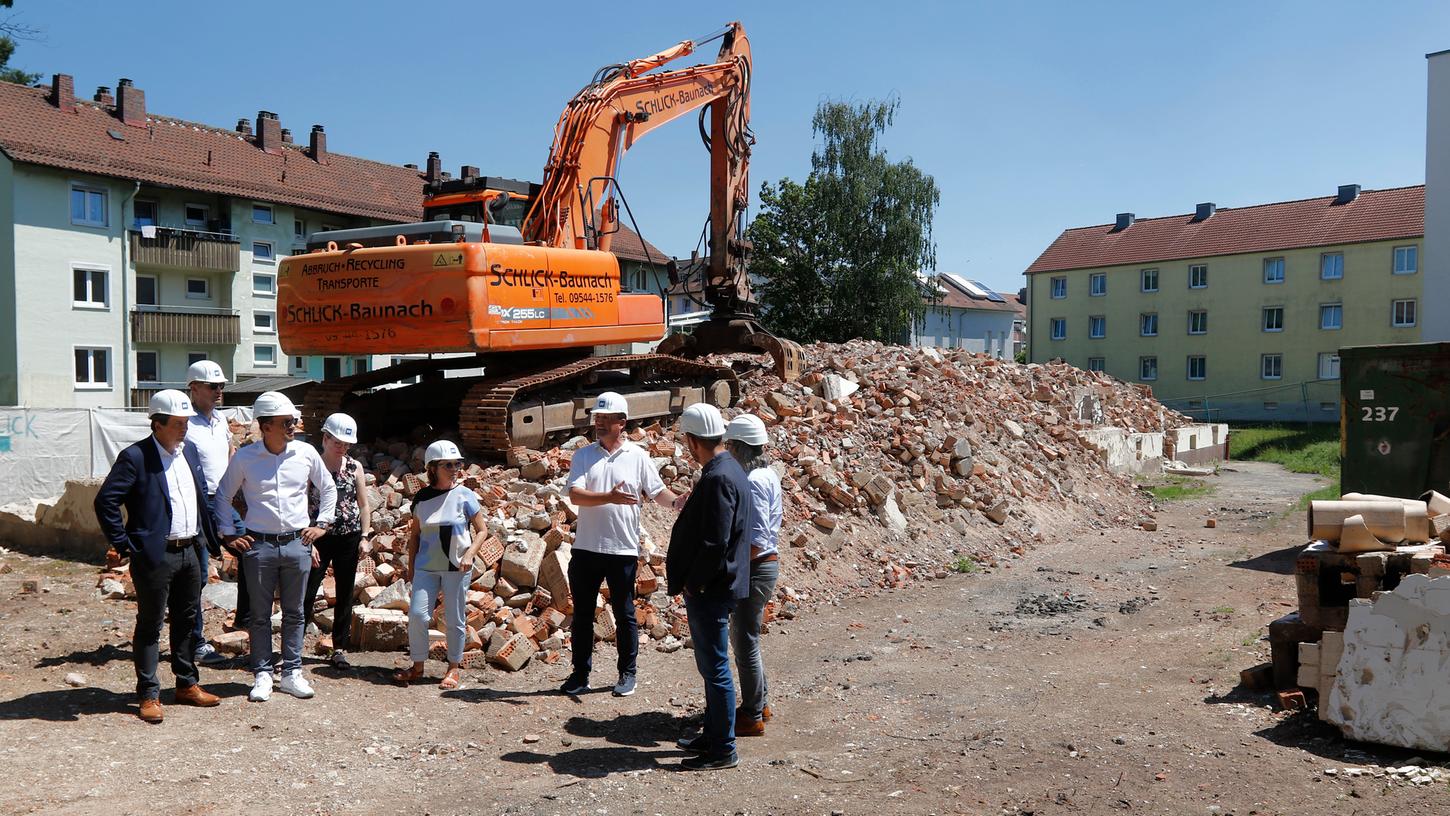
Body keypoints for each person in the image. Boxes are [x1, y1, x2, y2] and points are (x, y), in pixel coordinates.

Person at [94, 389, 223, 723]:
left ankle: (186, 684)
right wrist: (124, 543)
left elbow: (199, 498)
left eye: (186, 422)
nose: (184, 429)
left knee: (185, 619)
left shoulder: (188, 451)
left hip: (190, 551)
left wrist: (210, 538)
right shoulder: (136, 457)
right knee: (150, 625)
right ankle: (149, 694)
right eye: (178, 423)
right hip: (155, 555)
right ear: (158, 423)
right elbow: (106, 501)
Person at [558, 391, 681, 698]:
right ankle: (580, 674)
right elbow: (574, 496)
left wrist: (678, 502)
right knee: (583, 614)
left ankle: (627, 673)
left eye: (604, 418)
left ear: (621, 422)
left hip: (622, 550)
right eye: (596, 418)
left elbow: (657, 492)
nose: (597, 423)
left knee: (624, 613)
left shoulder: (638, 456)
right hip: (586, 548)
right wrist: (609, 497)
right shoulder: (584, 455)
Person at [215, 391, 336, 703]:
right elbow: (222, 496)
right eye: (285, 422)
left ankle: (292, 673)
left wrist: (321, 524)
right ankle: (263, 674)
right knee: (259, 615)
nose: (292, 426)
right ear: (265, 426)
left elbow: (328, 488)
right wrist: (229, 535)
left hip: (297, 543)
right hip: (258, 546)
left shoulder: (306, 453)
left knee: (296, 612)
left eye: (293, 421)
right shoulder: (245, 458)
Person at [668, 402, 752, 771]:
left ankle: (723, 748)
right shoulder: (729, 467)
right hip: (720, 584)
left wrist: (695, 583)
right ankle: (715, 734)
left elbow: (715, 541)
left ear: (691, 441)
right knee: (711, 666)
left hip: (712, 588)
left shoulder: (718, 477)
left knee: (715, 668)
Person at [394, 440, 486, 690]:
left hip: (457, 566)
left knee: (455, 618)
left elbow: (482, 531)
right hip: (426, 566)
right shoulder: (422, 498)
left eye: (457, 463)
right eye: (448, 464)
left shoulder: (465, 495)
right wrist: (411, 568)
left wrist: (469, 555)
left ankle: (453, 668)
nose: (455, 468)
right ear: (433, 467)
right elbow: (414, 536)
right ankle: (418, 666)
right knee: (417, 614)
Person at [723, 413, 782, 737]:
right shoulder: (766, 475)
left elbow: (756, 541)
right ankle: (761, 703)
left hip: (756, 568)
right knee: (748, 640)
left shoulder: (756, 481)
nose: (729, 452)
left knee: (744, 642)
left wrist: (728, 565)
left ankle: (751, 714)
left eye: (732, 446)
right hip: (761, 567)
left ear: (742, 448)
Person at [303, 412, 371, 670]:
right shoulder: (312, 466)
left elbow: (363, 505)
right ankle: (294, 646)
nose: (341, 448)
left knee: (344, 592)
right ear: (325, 438)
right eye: (337, 443)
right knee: (308, 591)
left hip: (349, 537)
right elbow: (302, 505)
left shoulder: (355, 467)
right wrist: (307, 542)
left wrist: (365, 536)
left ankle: (339, 647)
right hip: (319, 537)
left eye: (346, 444)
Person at [183, 359, 237, 667]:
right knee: (199, 574)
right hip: (198, 503)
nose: (219, 391)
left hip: (223, 500)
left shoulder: (221, 421)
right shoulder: (184, 423)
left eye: (221, 386)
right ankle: (194, 641)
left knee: (255, 553)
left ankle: (247, 624)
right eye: (212, 386)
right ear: (194, 388)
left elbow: (229, 455)